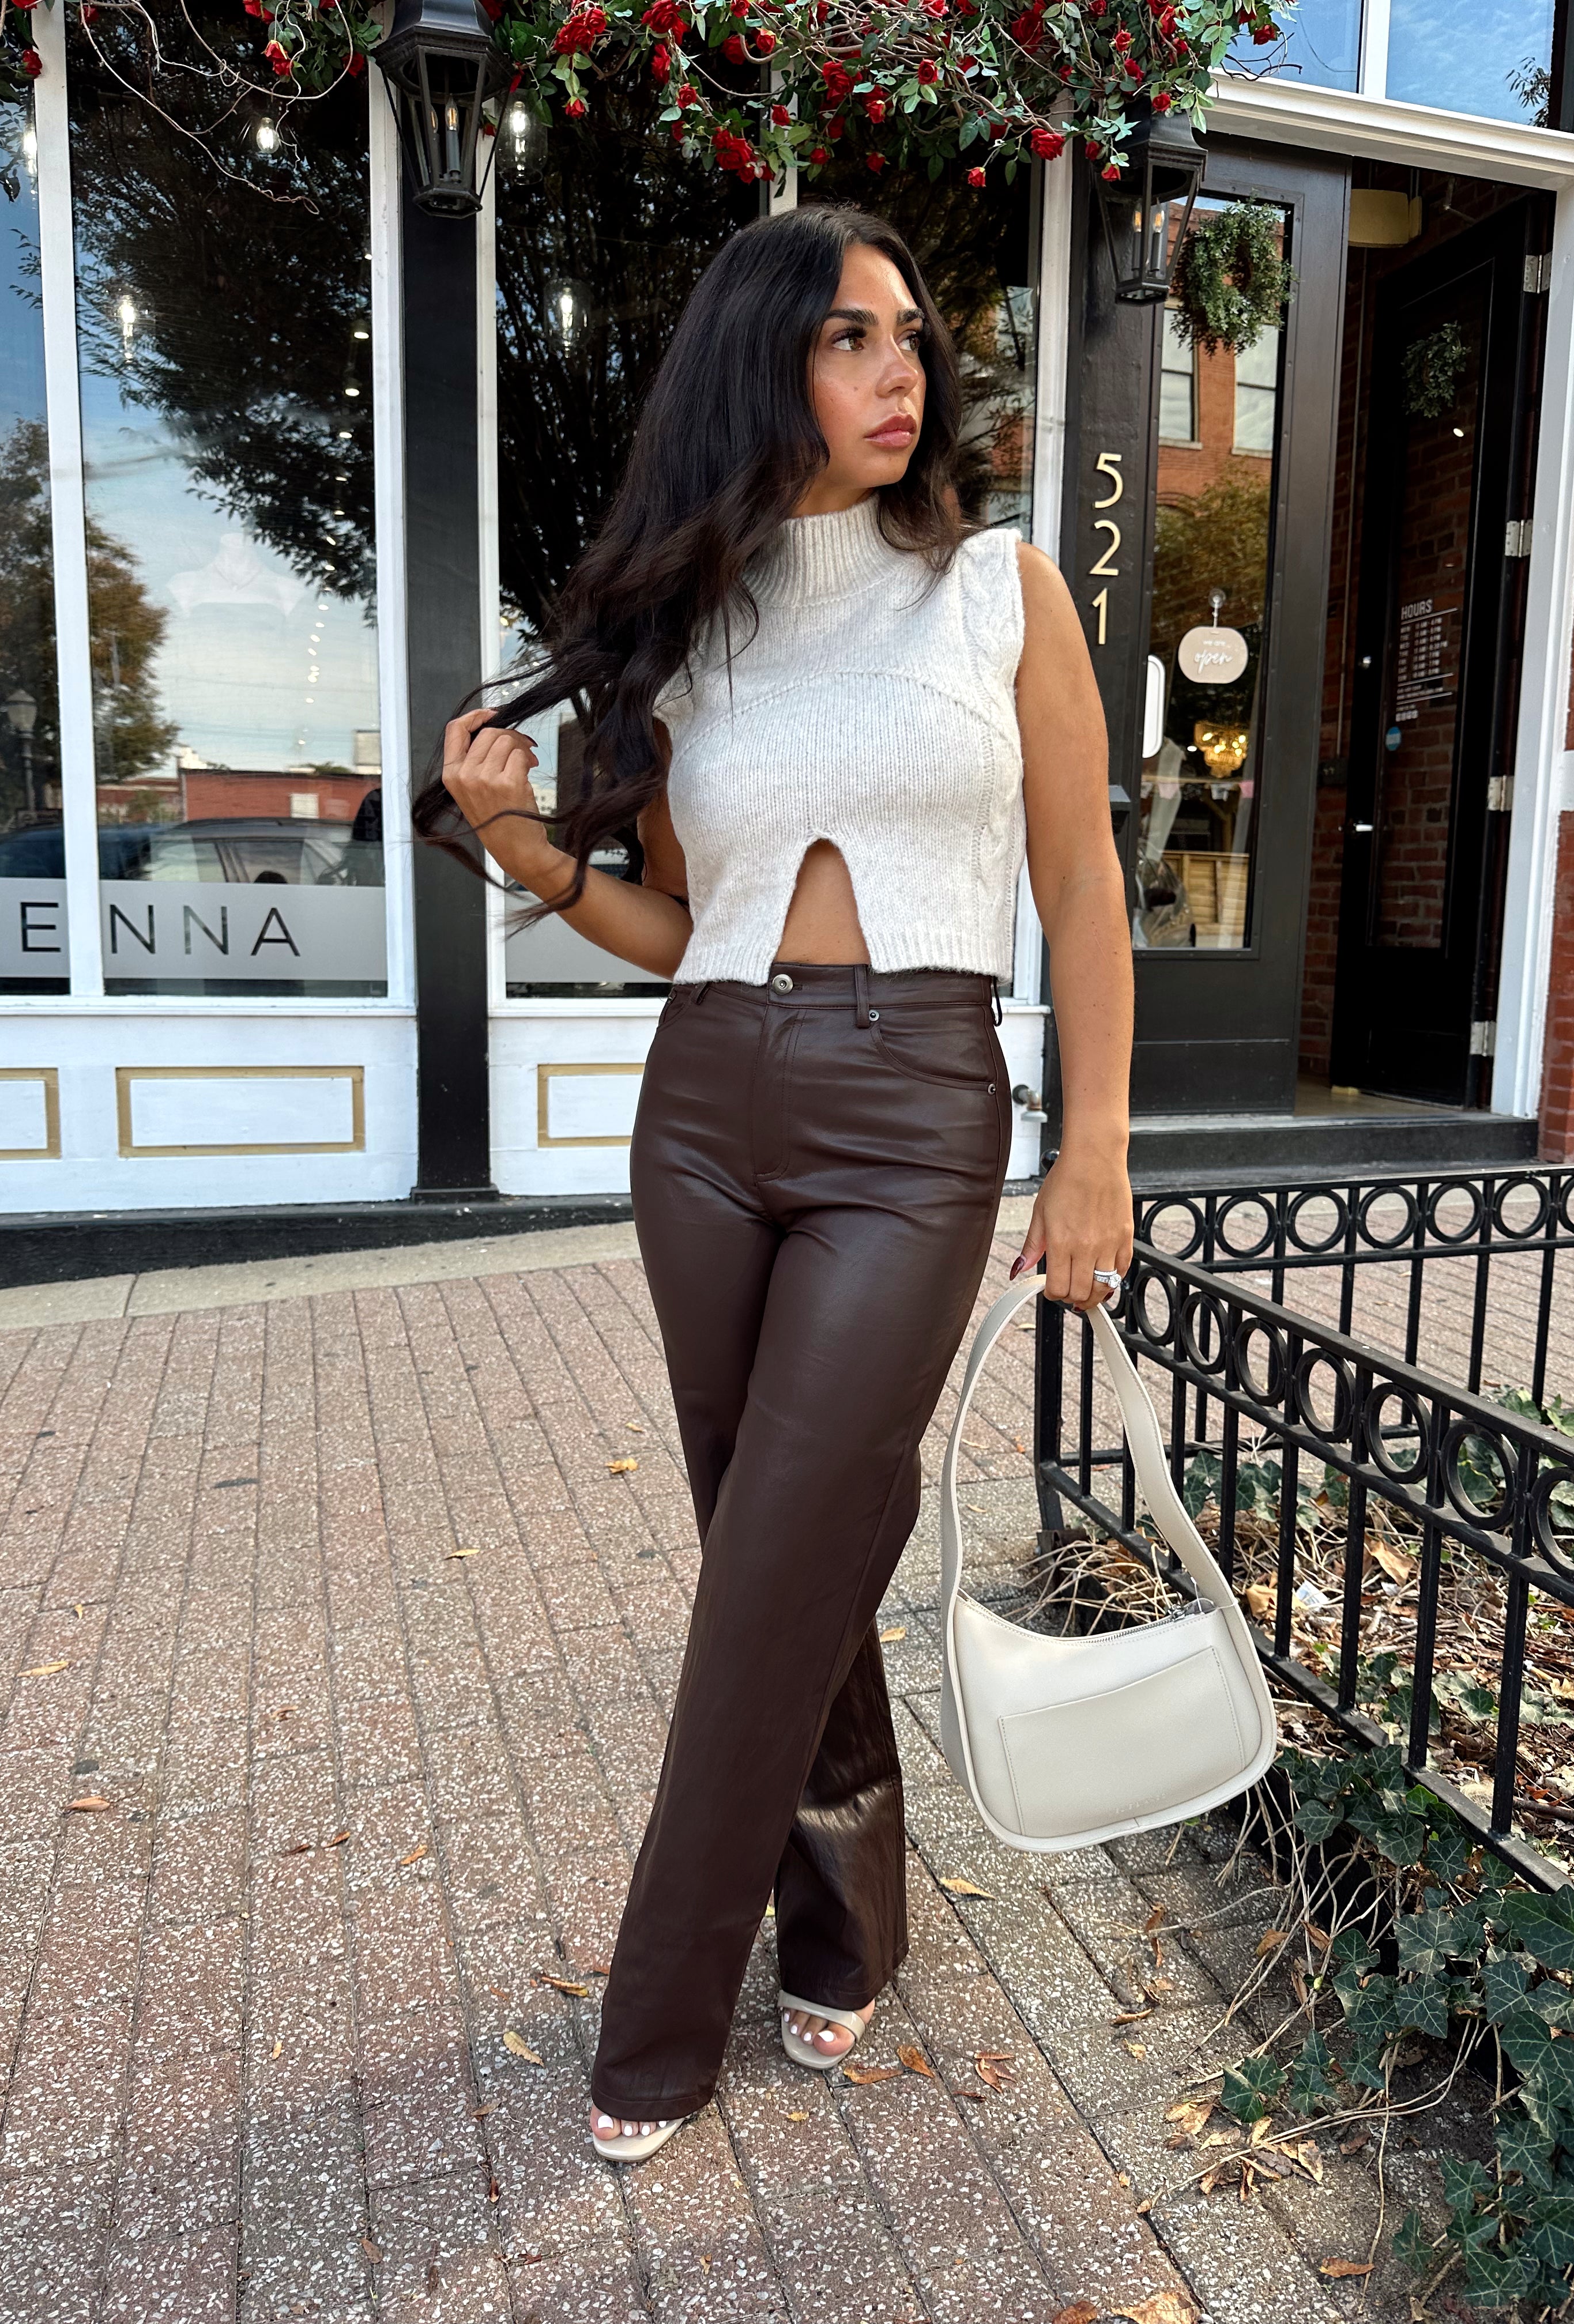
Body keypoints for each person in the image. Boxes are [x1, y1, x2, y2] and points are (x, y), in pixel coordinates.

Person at [425, 205, 1133, 2163]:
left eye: (912, 336)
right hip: (709, 1112)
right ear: (763, 367)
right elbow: (681, 925)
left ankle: (654, 2023)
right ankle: (845, 1929)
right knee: (781, 1551)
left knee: (773, 1565)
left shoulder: (997, 590)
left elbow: (1081, 883)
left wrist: (1093, 1149)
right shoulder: (695, 634)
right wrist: (522, 851)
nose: (904, 372)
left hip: (919, 1118)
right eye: (851, 338)